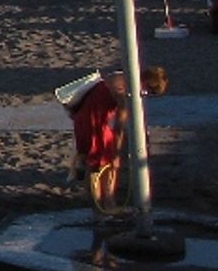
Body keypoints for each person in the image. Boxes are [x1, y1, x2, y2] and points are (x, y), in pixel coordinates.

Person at [70, 66, 167, 214]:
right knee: (100, 162)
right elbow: (119, 127)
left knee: (99, 161)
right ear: (147, 83)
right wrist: (116, 153)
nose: (146, 95)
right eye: (149, 92)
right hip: (94, 121)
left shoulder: (124, 76)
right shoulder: (128, 92)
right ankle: (102, 205)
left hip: (87, 116)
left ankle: (107, 202)